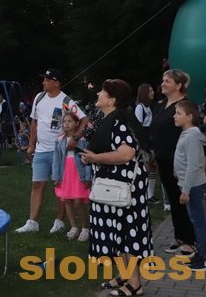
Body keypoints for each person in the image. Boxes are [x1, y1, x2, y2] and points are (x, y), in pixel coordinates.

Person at [81, 79, 153, 296]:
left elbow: (126, 153)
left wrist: (95, 158)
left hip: (124, 189)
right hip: (113, 188)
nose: (98, 94)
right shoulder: (111, 119)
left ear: (111, 100)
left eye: (102, 92)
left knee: (127, 233)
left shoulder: (120, 122)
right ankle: (125, 275)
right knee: (117, 232)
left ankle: (135, 283)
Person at [15, 69, 87, 234]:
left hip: (59, 151)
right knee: (37, 184)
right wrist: (31, 144)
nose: (43, 82)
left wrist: (75, 138)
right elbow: (34, 122)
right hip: (41, 149)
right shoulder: (39, 98)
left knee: (60, 186)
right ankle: (32, 222)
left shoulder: (66, 101)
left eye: (47, 80)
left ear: (56, 83)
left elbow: (84, 120)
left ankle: (59, 221)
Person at [150, 69, 196, 257]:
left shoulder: (185, 106)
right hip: (163, 159)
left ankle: (190, 242)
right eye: (163, 80)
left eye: (167, 81)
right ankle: (180, 237)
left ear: (178, 85)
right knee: (173, 199)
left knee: (181, 200)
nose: (163, 83)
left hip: (178, 162)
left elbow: (189, 133)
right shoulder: (162, 105)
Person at [173, 99, 206, 271]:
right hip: (188, 184)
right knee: (195, 220)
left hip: (193, 186)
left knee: (198, 221)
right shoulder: (187, 133)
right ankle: (202, 252)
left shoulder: (191, 137)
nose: (174, 116)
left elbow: (193, 165)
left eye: (178, 113)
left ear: (189, 117)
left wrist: (186, 190)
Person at [51, 112, 91, 242]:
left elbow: (87, 158)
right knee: (67, 200)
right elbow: (57, 160)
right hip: (65, 173)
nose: (66, 124)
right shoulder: (59, 140)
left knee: (78, 201)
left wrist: (87, 177)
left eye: (70, 121)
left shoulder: (82, 140)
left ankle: (85, 227)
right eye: (64, 121)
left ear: (77, 123)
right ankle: (74, 227)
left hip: (78, 173)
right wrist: (56, 176)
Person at [134, 83, 159, 204]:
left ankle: (150, 195)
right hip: (144, 141)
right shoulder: (140, 107)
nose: (153, 93)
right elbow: (138, 127)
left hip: (152, 139)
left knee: (153, 167)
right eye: (150, 91)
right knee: (146, 168)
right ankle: (141, 195)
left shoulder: (151, 107)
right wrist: (143, 145)